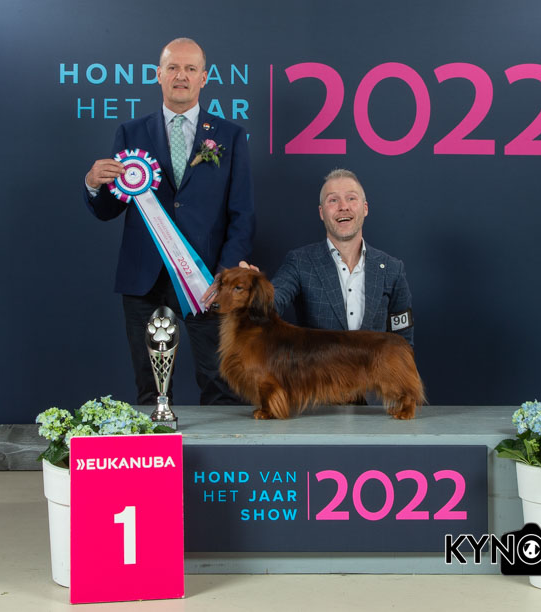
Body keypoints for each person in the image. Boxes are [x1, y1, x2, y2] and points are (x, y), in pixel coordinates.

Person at [84, 37, 254, 405]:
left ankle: (221, 447)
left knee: (221, 385)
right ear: (158, 74)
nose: (181, 76)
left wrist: (224, 276)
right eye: (173, 67)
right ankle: (157, 443)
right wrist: (93, 184)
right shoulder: (130, 133)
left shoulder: (230, 135)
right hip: (143, 280)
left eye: (190, 68)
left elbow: (242, 215)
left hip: (206, 282)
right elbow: (108, 210)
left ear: (204, 78)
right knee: (151, 390)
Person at [267, 169, 414, 347]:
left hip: (377, 367)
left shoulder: (392, 269)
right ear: (322, 213)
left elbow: (403, 340)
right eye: (333, 200)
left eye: (351, 198)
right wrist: (251, 288)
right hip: (317, 366)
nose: (343, 206)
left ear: (365, 208)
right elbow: (272, 303)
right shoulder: (299, 262)